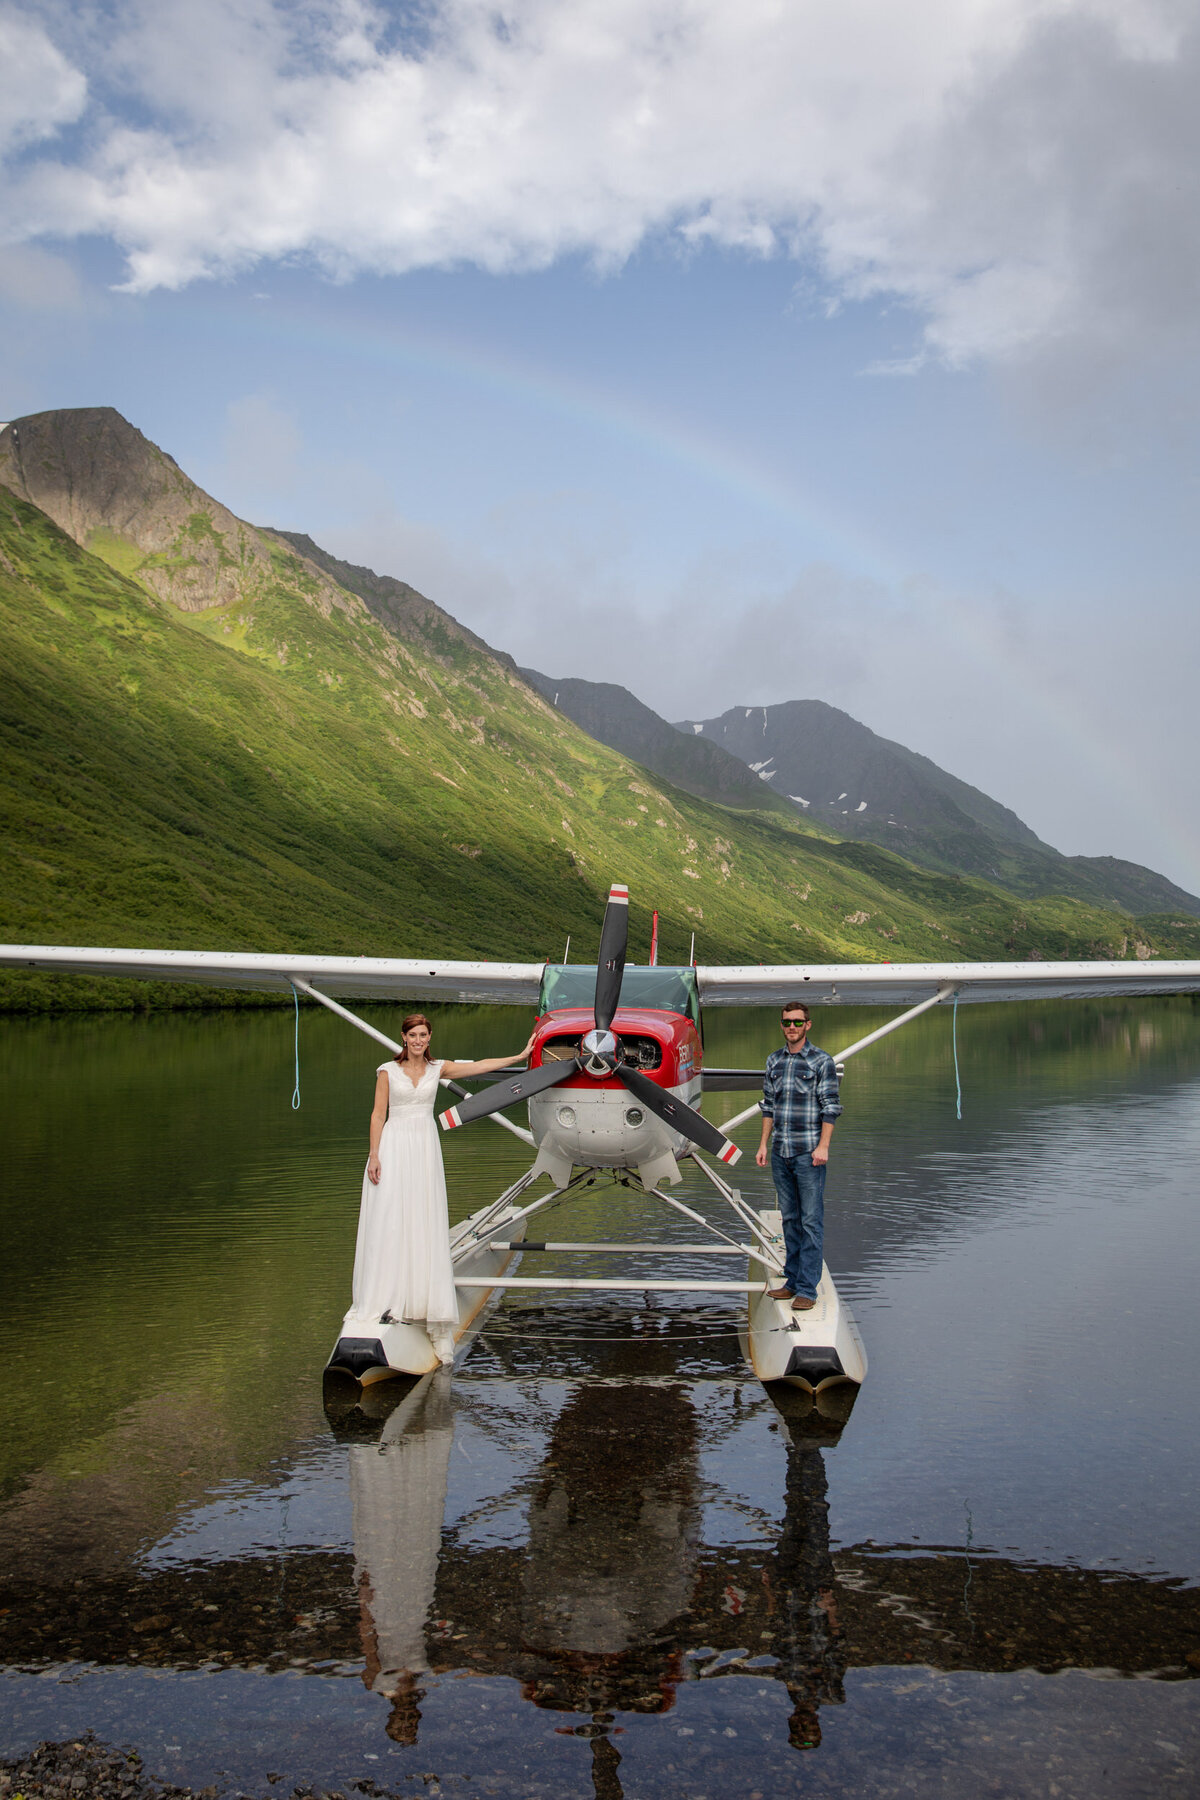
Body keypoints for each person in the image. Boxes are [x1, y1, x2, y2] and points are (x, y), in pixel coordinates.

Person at [348, 1012, 536, 1363]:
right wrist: (374, 1155)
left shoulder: (438, 1069)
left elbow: (480, 1067)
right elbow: (377, 1115)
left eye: (423, 1035)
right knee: (390, 1219)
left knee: (424, 1221)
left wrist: (518, 1057)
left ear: (429, 1038)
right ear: (403, 1038)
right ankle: (386, 1299)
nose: (418, 1040)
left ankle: (434, 1317)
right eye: (412, 1035)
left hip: (424, 1148)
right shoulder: (386, 1072)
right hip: (394, 1145)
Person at [756, 1002, 842, 1312]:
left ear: (808, 1025)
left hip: (809, 1152)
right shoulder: (774, 1061)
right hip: (780, 1150)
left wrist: (824, 1146)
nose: (791, 1027)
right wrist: (763, 1144)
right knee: (789, 1219)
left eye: (797, 1022)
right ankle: (791, 1280)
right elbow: (768, 1106)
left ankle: (807, 1288)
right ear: (782, 1026)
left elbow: (830, 1106)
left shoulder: (822, 1061)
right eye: (786, 1022)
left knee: (810, 1221)